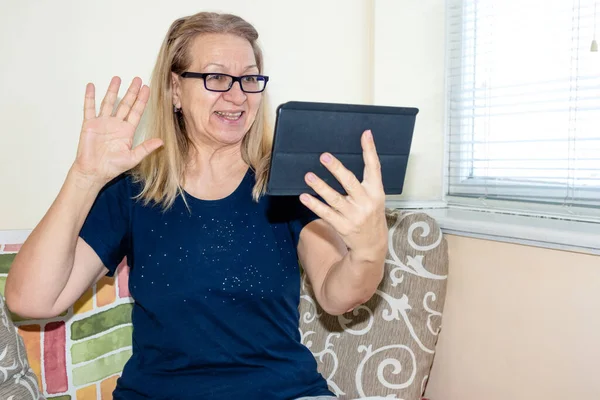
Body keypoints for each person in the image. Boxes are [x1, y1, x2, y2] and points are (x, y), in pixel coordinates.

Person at [5, 11, 388, 400]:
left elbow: (336, 295)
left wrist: (370, 248)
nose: (237, 95)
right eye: (216, 77)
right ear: (175, 89)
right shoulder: (134, 188)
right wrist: (85, 177)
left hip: (283, 392)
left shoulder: (287, 181)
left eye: (249, 78)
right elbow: (32, 301)